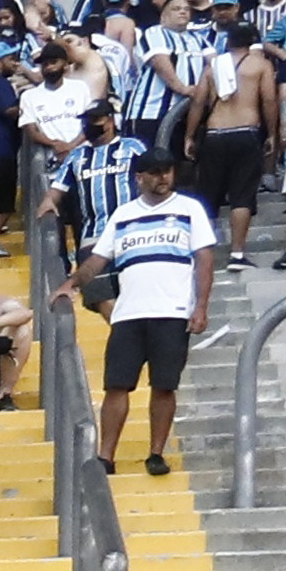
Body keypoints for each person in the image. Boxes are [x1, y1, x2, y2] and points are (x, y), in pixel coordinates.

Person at [91, 155, 214, 474]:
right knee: (116, 385)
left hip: (172, 311)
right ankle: (106, 455)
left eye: (167, 171)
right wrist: (70, 283)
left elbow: (204, 258)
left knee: (164, 385)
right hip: (128, 312)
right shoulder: (123, 214)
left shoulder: (190, 208)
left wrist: (200, 306)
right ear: (140, 177)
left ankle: (156, 452)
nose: (163, 178)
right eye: (156, 172)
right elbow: (98, 258)